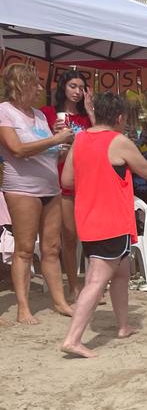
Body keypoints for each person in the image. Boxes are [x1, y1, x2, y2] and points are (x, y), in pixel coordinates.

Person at [59, 92, 147, 357]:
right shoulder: (118, 141)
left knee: (121, 271)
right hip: (110, 220)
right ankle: (73, 339)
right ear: (120, 117)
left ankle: (122, 325)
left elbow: (66, 180)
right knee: (97, 280)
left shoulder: (81, 138)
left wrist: (94, 181)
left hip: (88, 218)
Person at [0, 63, 75, 324]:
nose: (40, 89)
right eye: (35, 84)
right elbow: (17, 149)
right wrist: (54, 141)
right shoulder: (5, 112)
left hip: (50, 186)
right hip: (23, 188)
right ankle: (23, 307)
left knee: (52, 248)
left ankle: (60, 301)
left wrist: (62, 146)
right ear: (20, 85)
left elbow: (47, 153)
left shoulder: (40, 116)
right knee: (24, 249)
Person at [41, 69, 95, 302]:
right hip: (60, 179)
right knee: (70, 237)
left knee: (92, 236)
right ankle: (74, 286)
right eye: (72, 86)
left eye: (81, 87)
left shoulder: (85, 117)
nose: (77, 91)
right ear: (63, 87)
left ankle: (92, 285)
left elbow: (100, 140)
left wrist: (91, 111)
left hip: (87, 181)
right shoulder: (48, 114)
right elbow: (39, 144)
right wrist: (54, 139)